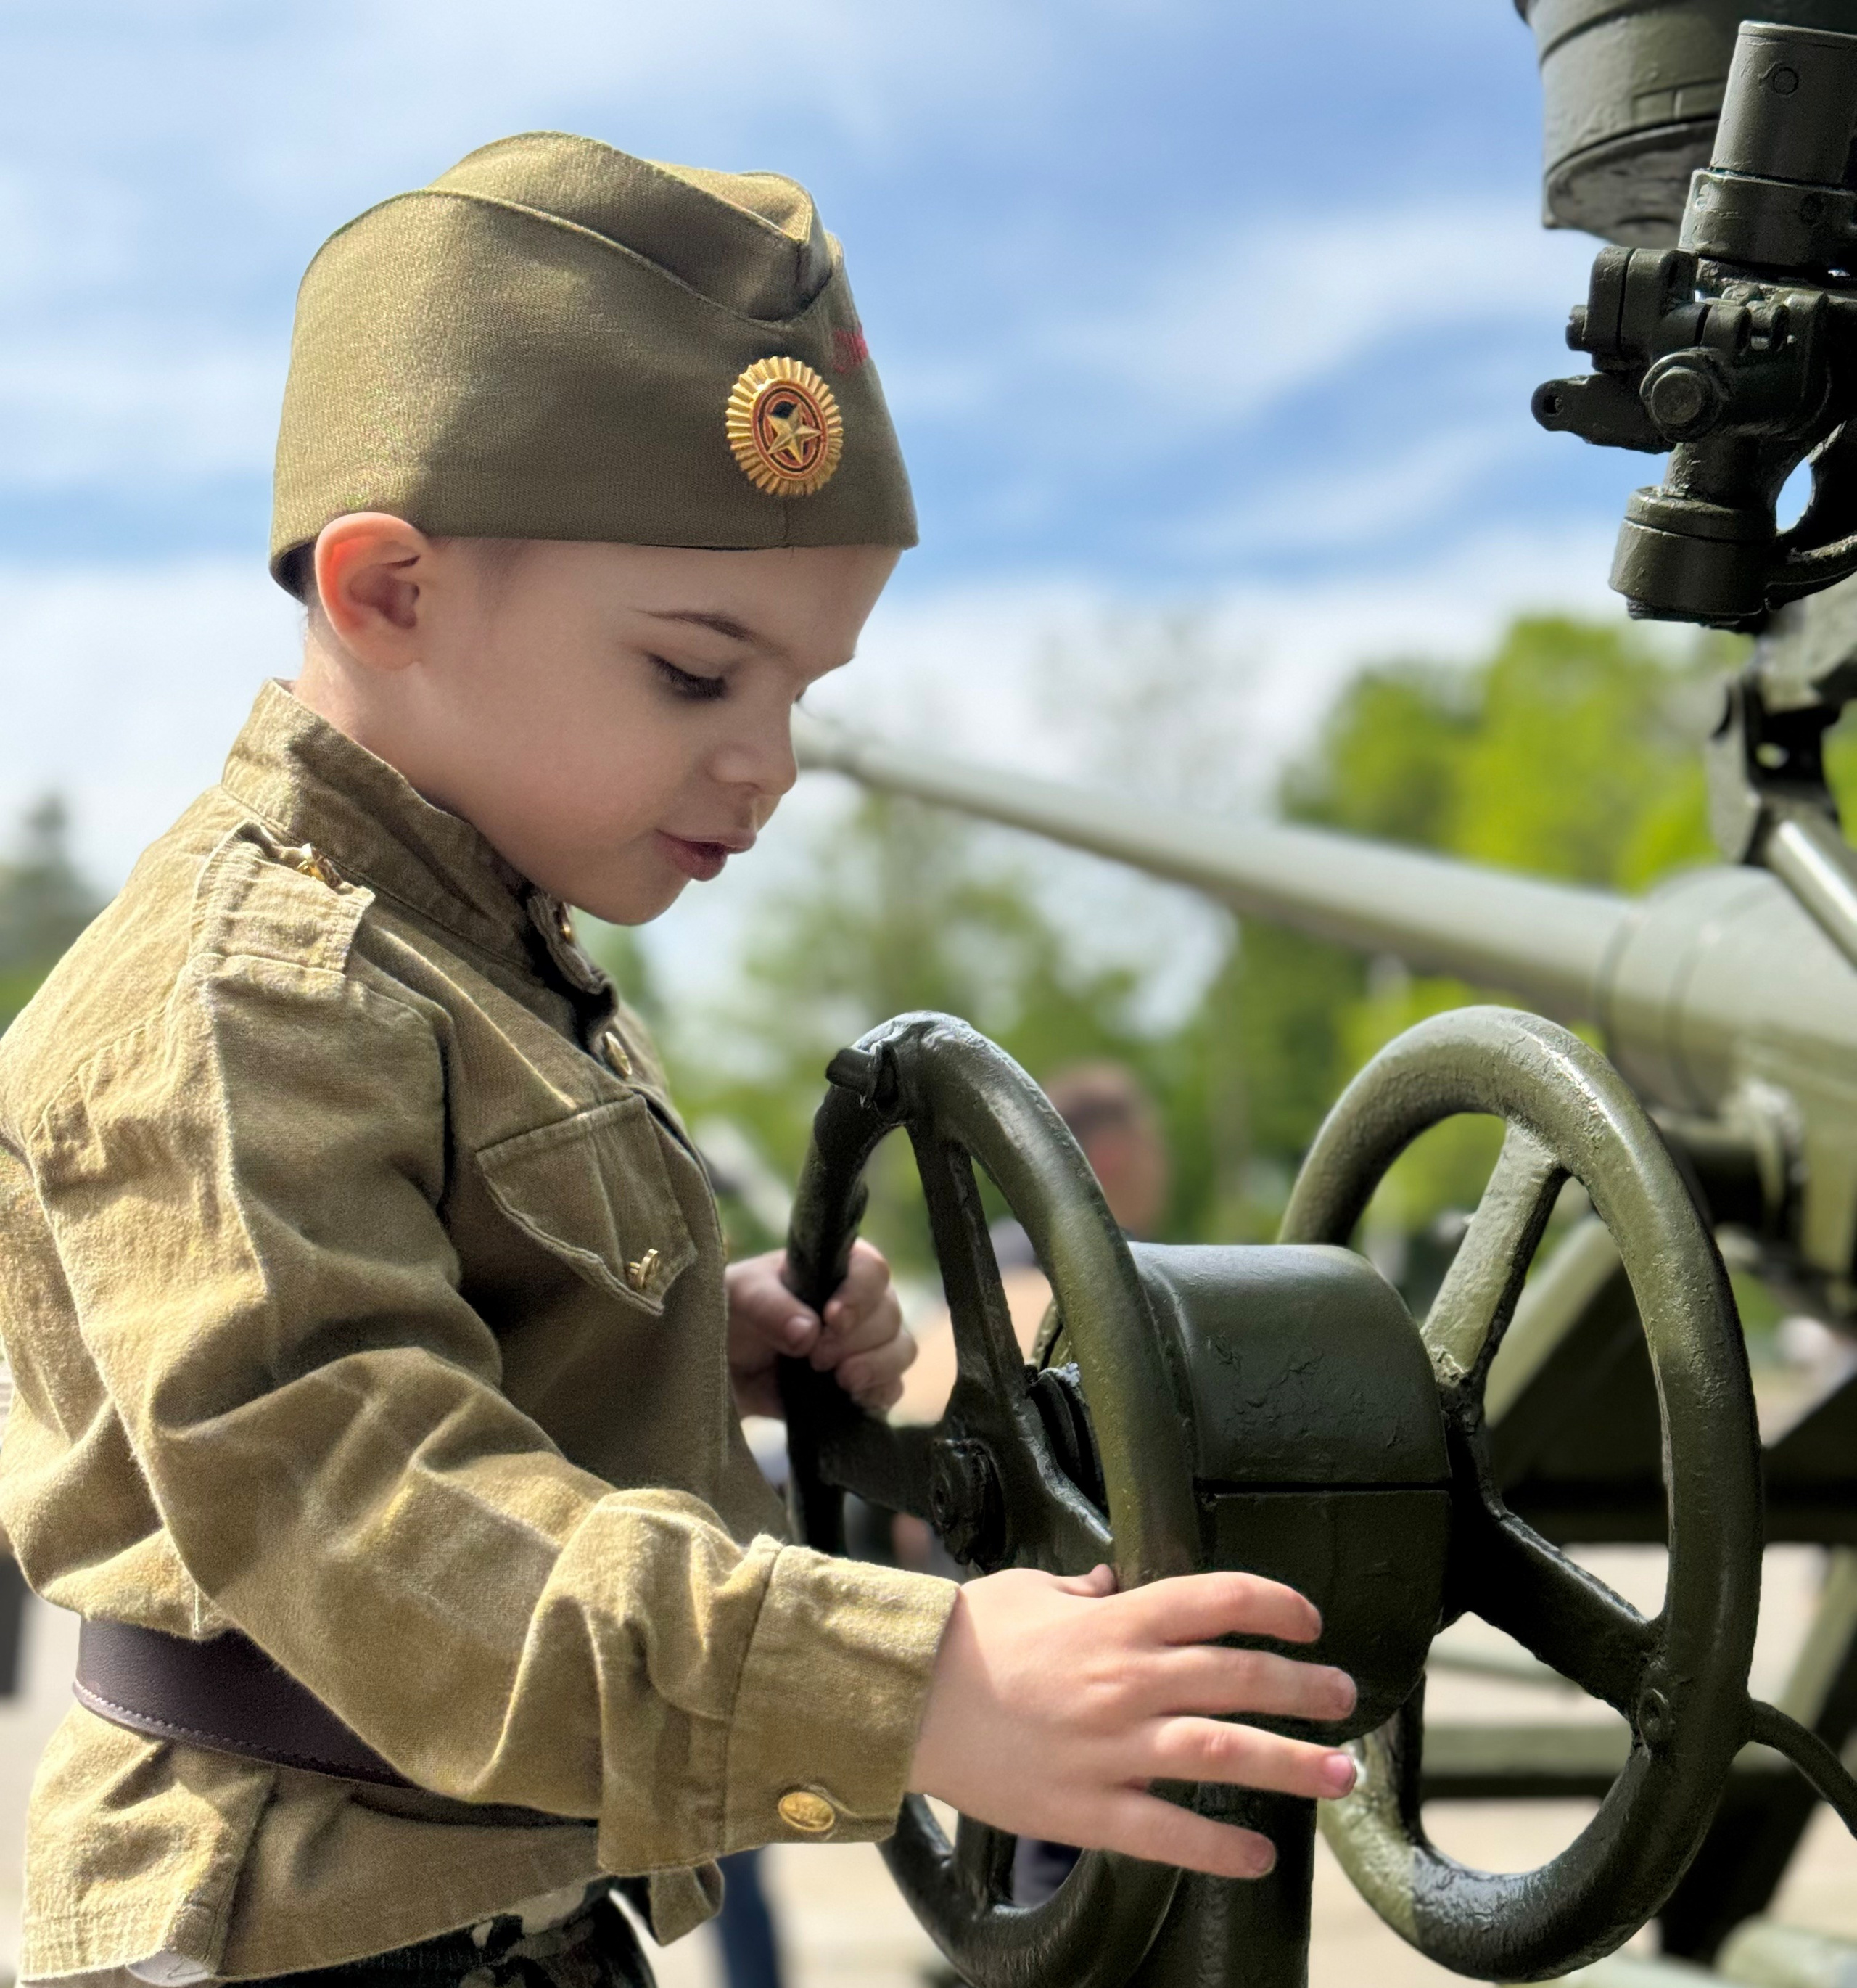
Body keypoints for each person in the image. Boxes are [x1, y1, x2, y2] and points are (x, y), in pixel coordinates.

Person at [0, 136, 1359, 1988]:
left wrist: (655, 1337)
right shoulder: (247, 1001)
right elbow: (366, 1523)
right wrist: (926, 1683)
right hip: (306, 1932)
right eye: (693, 672)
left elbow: (424, 1345)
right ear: (388, 590)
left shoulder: (463, 947)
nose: (771, 762)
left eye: (801, 691)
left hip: (500, 1909)